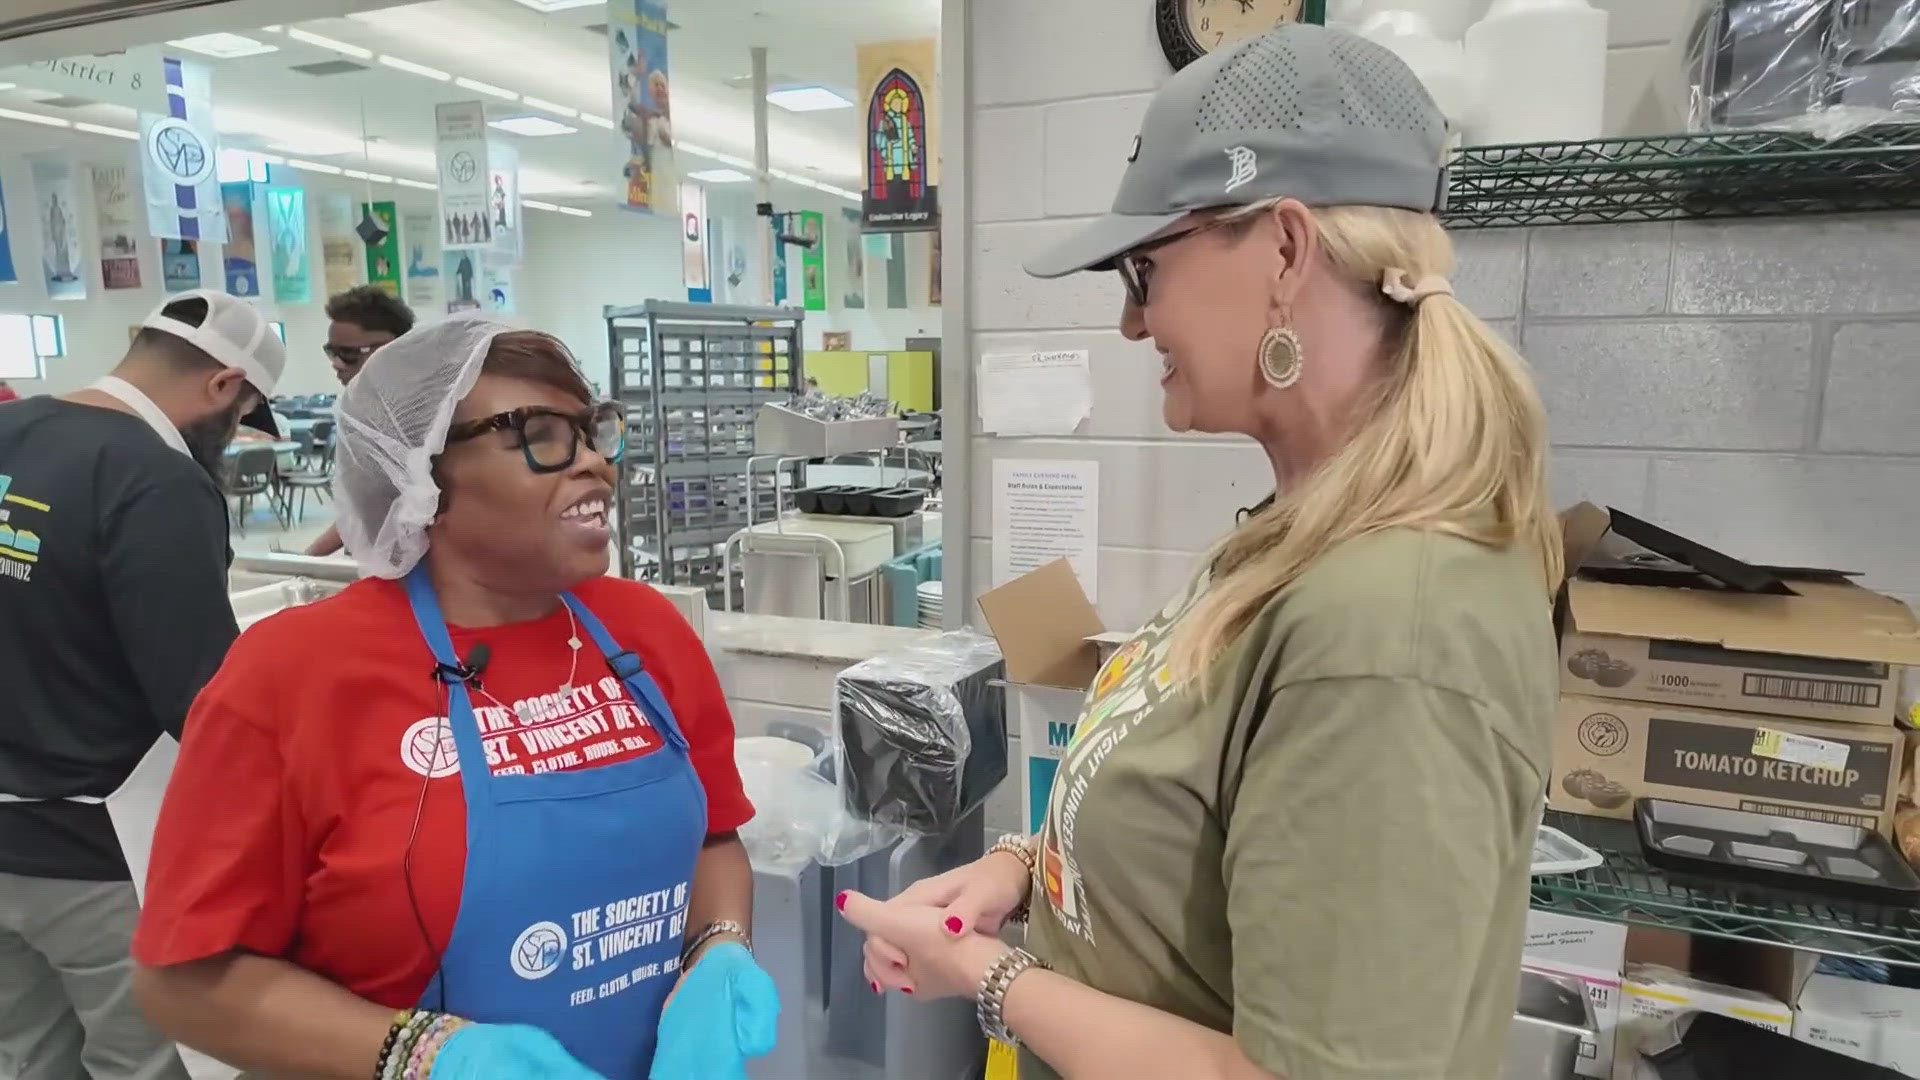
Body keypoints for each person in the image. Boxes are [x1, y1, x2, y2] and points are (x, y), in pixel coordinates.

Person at [837, 25, 1561, 1080]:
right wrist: (1019, 872)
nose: (1133, 323)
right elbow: (1202, 839)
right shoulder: (1291, 540)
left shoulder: (1390, 623)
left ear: (1283, 250)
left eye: (1145, 270)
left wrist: (985, 978)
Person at [132, 317, 779, 1080]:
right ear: (423, 478)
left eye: (591, 431)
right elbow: (185, 981)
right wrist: (431, 1057)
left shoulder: (643, 631)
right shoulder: (292, 675)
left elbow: (713, 836)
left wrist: (717, 950)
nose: (597, 467)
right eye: (541, 435)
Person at [0, 291, 284, 1080]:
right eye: (243, 414)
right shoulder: (152, 477)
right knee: (148, 1065)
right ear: (225, 387)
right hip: (94, 862)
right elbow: (200, 697)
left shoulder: (8, 429)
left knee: (27, 1059)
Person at [305, 286, 417, 557]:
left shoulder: (419, 416)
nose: (337, 364)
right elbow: (362, 511)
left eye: (349, 354)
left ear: (392, 348)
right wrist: (305, 561)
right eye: (332, 352)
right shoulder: (360, 410)